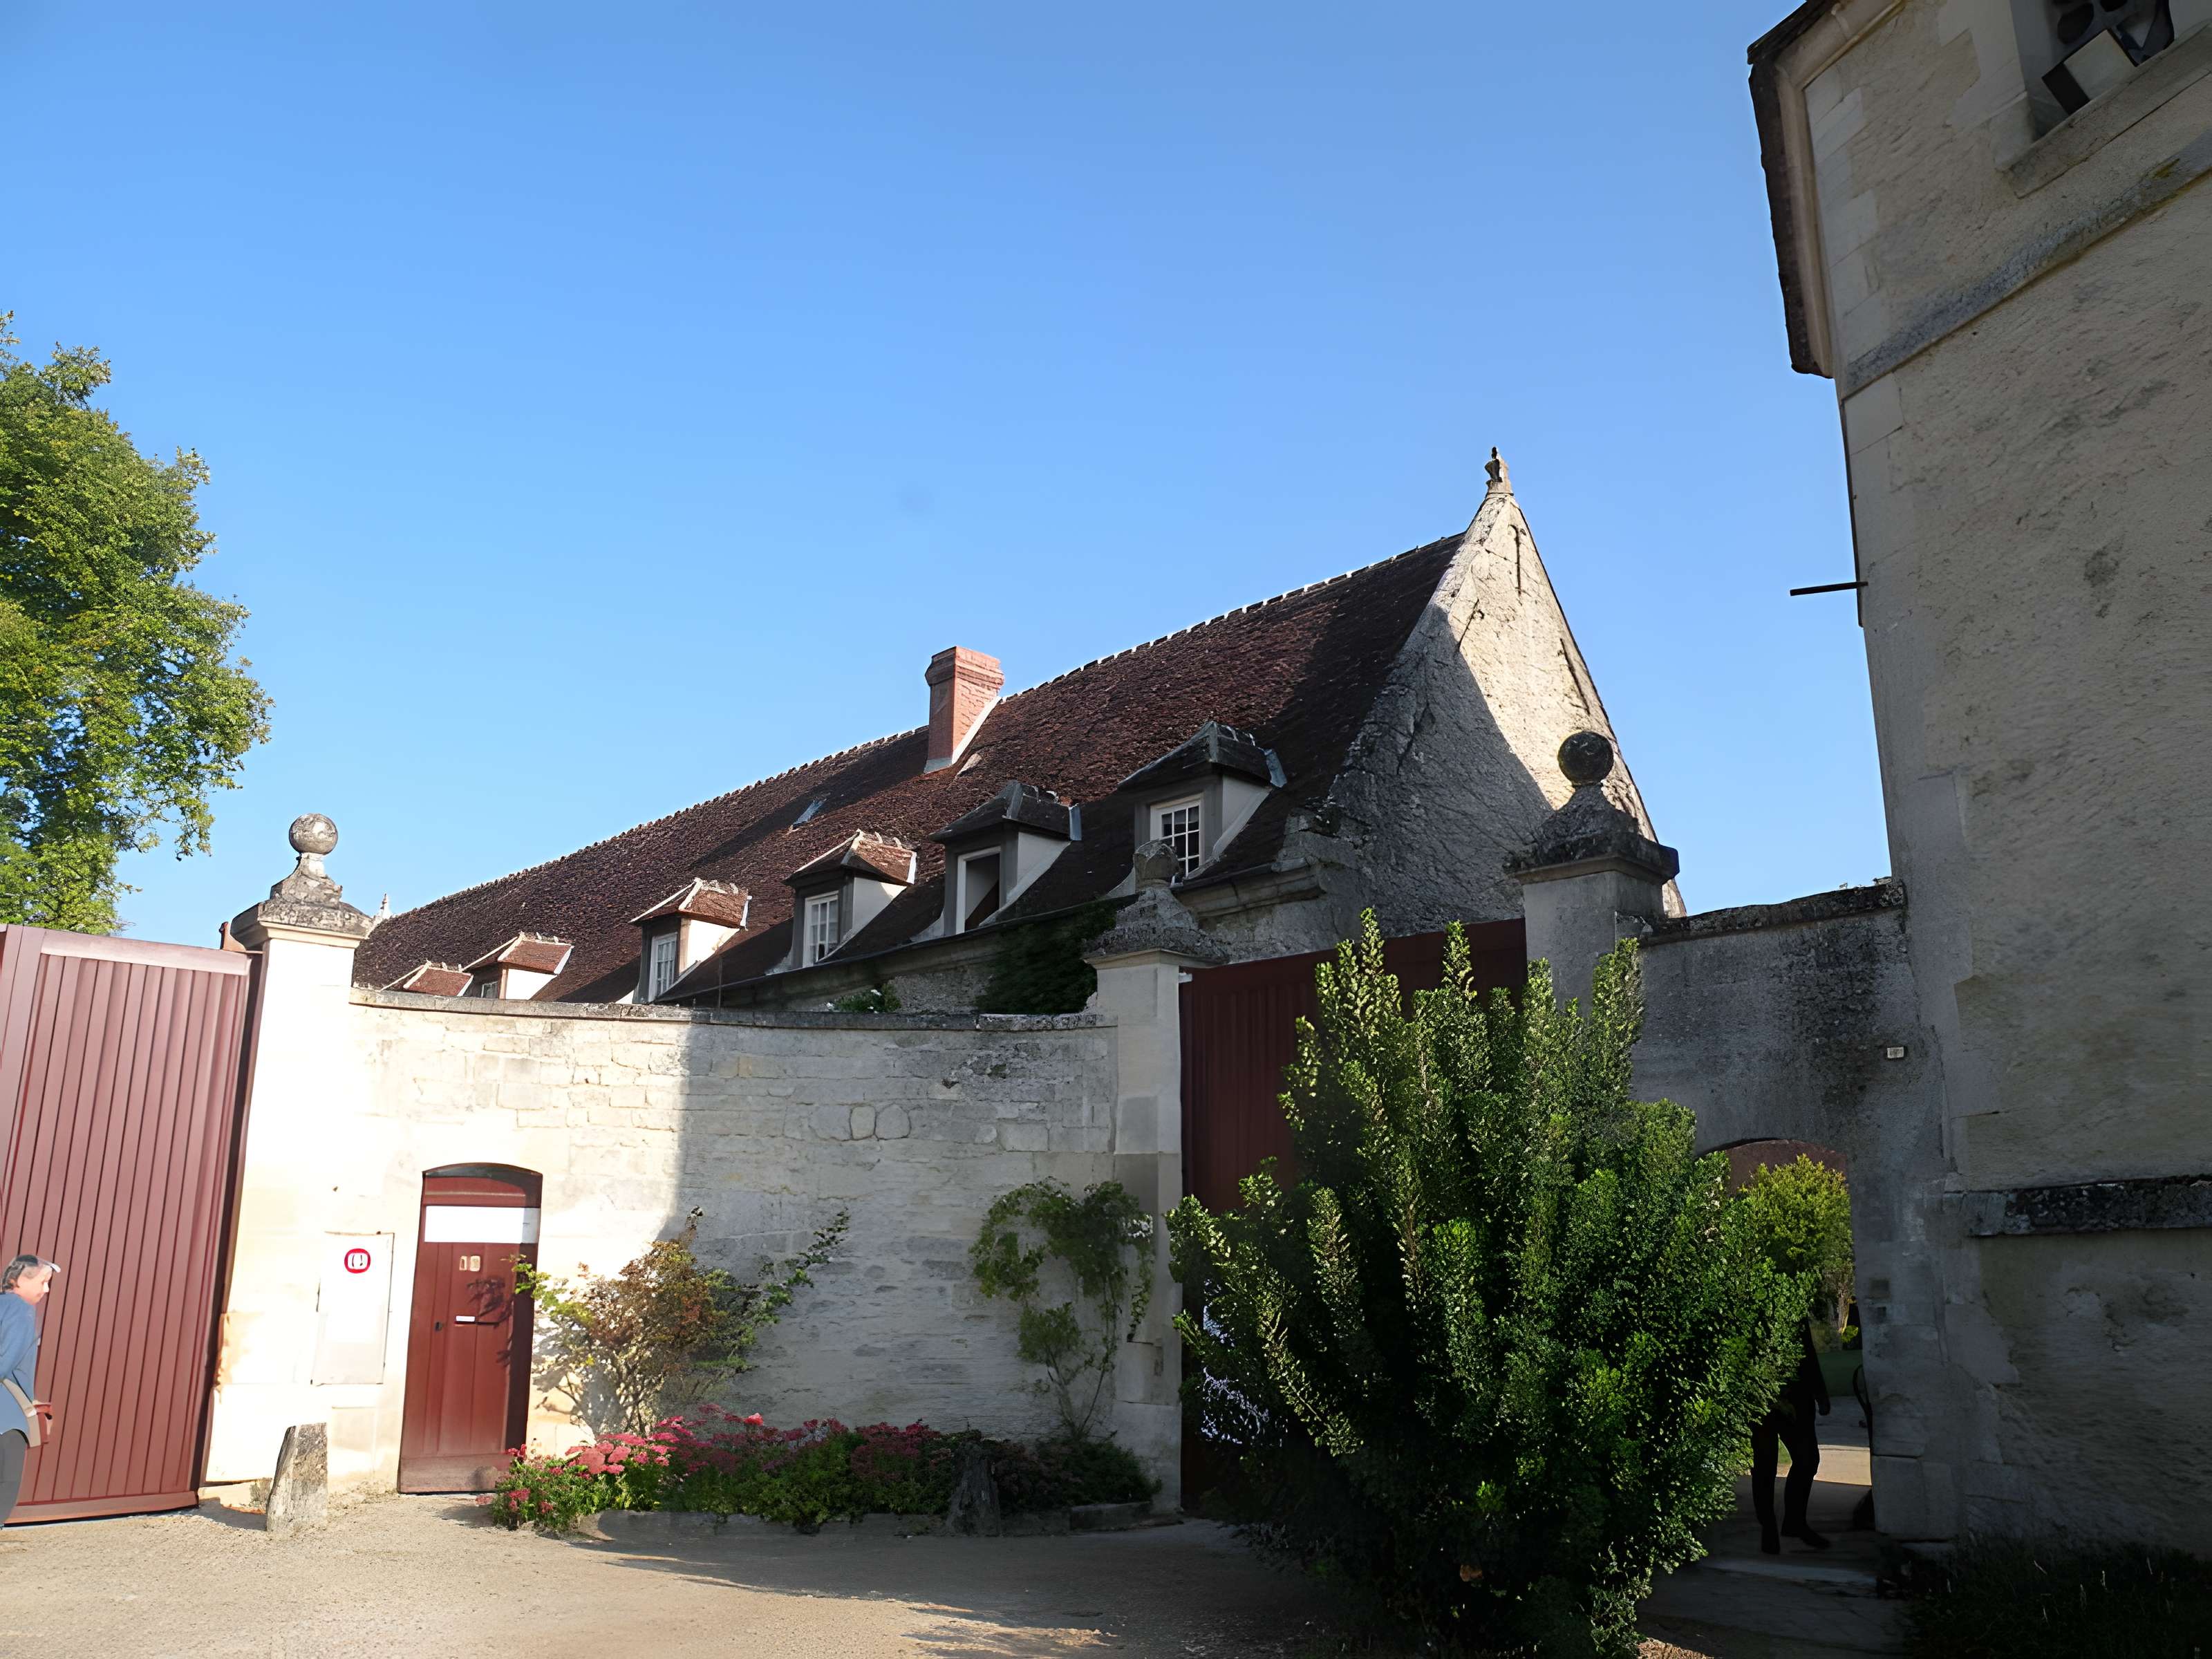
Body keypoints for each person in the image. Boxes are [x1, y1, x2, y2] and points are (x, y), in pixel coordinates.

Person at [1752, 1318, 1830, 1554]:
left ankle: (1795, 1522)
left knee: (1807, 1459)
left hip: (1797, 1396)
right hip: (1760, 1398)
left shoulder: (1794, 1302)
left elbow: (1806, 1347)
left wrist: (1820, 1392)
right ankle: (1769, 1528)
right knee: (1765, 1465)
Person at [0, 1254, 59, 1526]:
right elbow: (6, 1359)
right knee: (7, 1480)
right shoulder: (22, 1310)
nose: (46, 1290)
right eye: (43, 1282)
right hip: (7, 1416)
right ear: (19, 1280)